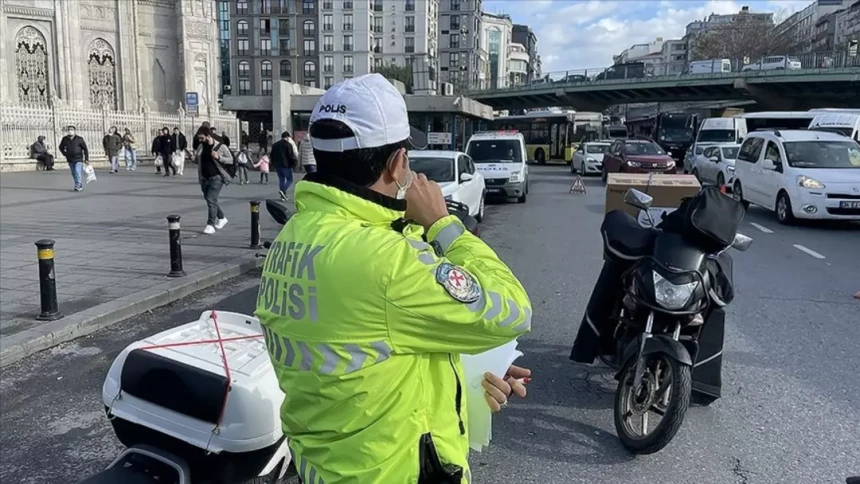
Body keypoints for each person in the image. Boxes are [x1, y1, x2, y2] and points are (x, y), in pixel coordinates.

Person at [255, 73, 533, 484]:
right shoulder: (387, 261)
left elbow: (369, 347)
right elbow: (512, 311)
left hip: (325, 466)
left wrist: (471, 368)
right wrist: (443, 224)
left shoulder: (295, 236)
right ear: (397, 162)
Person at [193, 127, 234, 234]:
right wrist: (193, 159)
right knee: (210, 200)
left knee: (211, 199)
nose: (200, 140)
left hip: (217, 178)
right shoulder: (201, 147)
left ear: (208, 136)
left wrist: (219, 157)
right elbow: (198, 161)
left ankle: (210, 225)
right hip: (204, 178)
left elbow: (231, 160)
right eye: (199, 138)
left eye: (202, 138)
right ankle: (222, 218)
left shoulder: (221, 146)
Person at [59, 125, 89, 192]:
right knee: (73, 173)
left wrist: (86, 159)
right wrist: (65, 154)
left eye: (72, 129)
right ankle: (77, 184)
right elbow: (60, 147)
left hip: (78, 158)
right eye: (69, 129)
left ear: (74, 131)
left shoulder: (79, 139)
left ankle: (78, 185)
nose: (70, 131)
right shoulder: (65, 139)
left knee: (77, 171)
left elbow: (85, 149)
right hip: (70, 159)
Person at [270, 131, 298, 201]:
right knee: (289, 179)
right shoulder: (288, 145)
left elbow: (272, 155)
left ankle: (283, 196)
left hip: (277, 165)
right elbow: (290, 156)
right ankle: (283, 190)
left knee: (281, 179)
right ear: (288, 137)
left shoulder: (275, 145)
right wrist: (294, 164)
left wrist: (273, 163)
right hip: (286, 165)